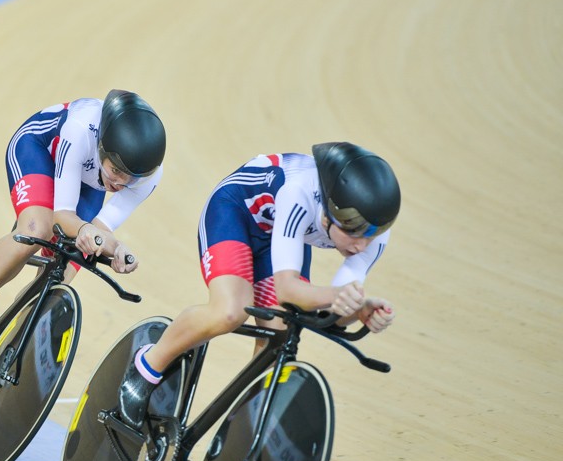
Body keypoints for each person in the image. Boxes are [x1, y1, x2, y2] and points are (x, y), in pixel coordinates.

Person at [117, 142, 402, 428]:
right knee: (230, 311)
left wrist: (359, 310)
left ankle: (243, 424)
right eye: (354, 232)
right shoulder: (298, 191)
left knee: (278, 335)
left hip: (281, 236)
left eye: (372, 234)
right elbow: (288, 290)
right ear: (328, 214)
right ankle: (147, 367)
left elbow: (334, 310)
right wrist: (340, 297)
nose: (362, 244)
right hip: (235, 212)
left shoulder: (372, 233)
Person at [0, 89, 167, 364]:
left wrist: (116, 249)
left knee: (67, 266)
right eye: (116, 171)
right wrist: (85, 232)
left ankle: (3, 350)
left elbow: (100, 230)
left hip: (87, 180)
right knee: (35, 232)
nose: (121, 184)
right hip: (39, 149)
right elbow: (62, 217)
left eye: (131, 179)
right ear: (102, 147)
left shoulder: (148, 176)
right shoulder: (80, 128)